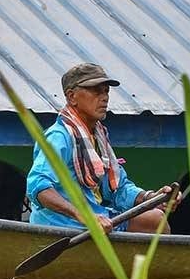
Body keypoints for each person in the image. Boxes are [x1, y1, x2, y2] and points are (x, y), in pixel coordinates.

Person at [26, 63, 178, 234]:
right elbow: (38, 186)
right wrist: (84, 215)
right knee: (155, 220)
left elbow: (119, 190)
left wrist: (151, 198)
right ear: (72, 97)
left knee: (156, 219)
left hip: (99, 218)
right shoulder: (59, 136)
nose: (104, 97)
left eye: (106, 91)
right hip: (62, 225)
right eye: (96, 91)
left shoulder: (98, 136)